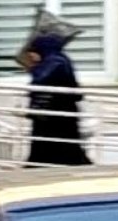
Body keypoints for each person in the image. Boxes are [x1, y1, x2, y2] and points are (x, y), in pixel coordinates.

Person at [19, 17, 93, 167]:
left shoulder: (54, 62)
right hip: (57, 113)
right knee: (61, 145)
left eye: (34, 51)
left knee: (55, 145)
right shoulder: (59, 59)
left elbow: (40, 80)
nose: (32, 55)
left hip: (54, 114)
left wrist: (33, 68)